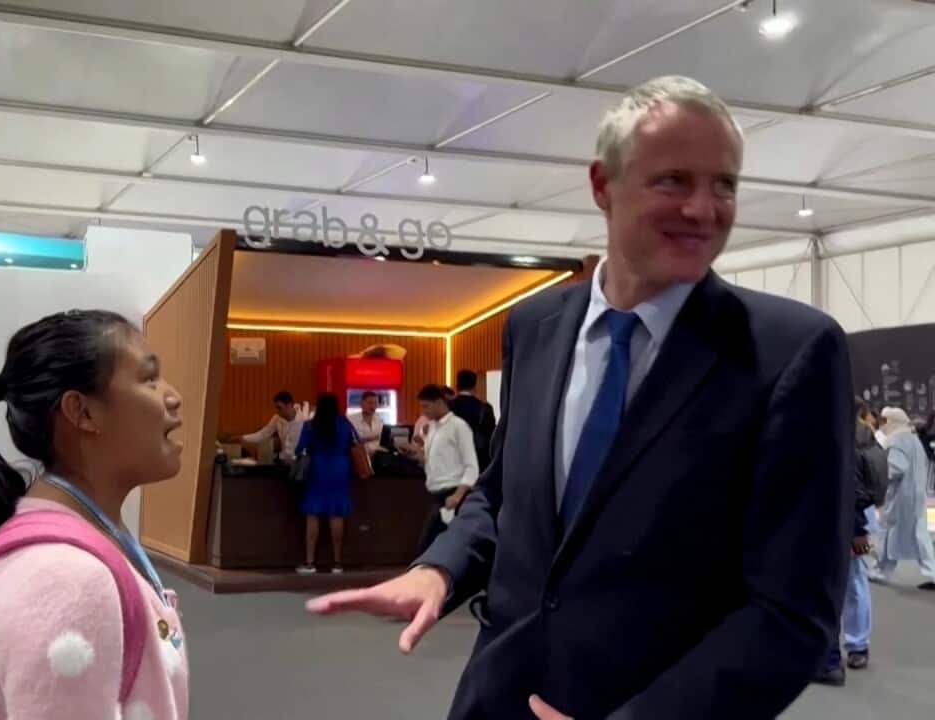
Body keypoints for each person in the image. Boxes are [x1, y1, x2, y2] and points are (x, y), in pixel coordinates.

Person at [307, 76, 854, 720]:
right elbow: (505, 492)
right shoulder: (535, 327)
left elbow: (791, 613)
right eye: (674, 181)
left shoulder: (788, 352)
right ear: (602, 185)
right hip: (499, 696)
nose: (705, 210)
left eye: (724, 185)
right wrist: (442, 567)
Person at [0, 309, 188, 718]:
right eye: (148, 378)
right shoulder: (68, 582)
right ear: (83, 412)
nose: (173, 396)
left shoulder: (74, 546)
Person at [817, 398, 888, 685]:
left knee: (830, 584)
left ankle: (830, 655)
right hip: (861, 517)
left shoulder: (836, 435)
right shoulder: (867, 437)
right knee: (857, 582)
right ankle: (858, 645)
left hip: (842, 517)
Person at [293, 393, 358, 575]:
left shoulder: (311, 425)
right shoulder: (345, 424)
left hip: (318, 469)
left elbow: (299, 449)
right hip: (340, 468)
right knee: (336, 513)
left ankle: (310, 562)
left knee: (313, 513)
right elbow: (356, 443)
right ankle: (337, 562)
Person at [412, 384, 479, 556]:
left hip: (452, 495)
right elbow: (432, 460)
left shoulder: (459, 426)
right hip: (436, 495)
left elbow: (472, 466)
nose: (424, 411)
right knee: (436, 548)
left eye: (426, 406)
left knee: (427, 547)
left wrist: (457, 496)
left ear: (439, 402)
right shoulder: (431, 428)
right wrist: (413, 454)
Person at [875, 406, 935, 590]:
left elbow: (896, 468)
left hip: (902, 496)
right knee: (918, 535)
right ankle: (881, 569)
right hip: (918, 494)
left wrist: (878, 473)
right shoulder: (913, 439)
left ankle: (880, 569)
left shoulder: (898, 440)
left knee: (893, 532)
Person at [235, 390, 304, 464]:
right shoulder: (277, 418)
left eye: (279, 408)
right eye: (276, 408)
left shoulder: (304, 420)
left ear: (289, 405)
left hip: (298, 462)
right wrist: (243, 438)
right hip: (283, 461)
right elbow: (263, 434)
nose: (277, 411)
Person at [449, 370, 497, 471]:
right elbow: (492, 438)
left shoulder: (447, 407)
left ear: (457, 386)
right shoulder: (485, 408)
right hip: (477, 463)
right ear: (474, 387)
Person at [348, 390, 384, 455]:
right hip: (360, 456)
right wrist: (372, 438)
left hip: (379, 455)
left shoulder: (379, 419)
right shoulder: (351, 419)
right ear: (361, 404)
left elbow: (382, 439)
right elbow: (350, 441)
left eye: (376, 403)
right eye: (370, 403)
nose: (373, 406)